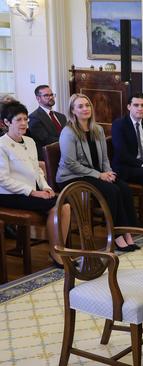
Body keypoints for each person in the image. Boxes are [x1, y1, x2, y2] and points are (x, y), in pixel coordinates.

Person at [56, 93, 139, 252]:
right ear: (73, 110)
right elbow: (70, 163)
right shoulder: (68, 132)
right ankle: (115, 236)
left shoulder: (97, 129)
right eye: (80, 106)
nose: (85, 109)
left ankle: (127, 231)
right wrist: (99, 175)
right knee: (112, 191)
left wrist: (108, 172)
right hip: (72, 177)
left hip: (95, 174)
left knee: (124, 188)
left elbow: (104, 158)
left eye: (87, 105)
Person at [0, 100, 70, 266]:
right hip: (8, 194)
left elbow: (37, 170)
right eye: (19, 120)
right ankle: (56, 252)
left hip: (30, 191)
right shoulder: (1, 145)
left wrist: (45, 187)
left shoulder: (29, 142)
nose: (24, 123)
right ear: (7, 122)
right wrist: (33, 192)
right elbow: (3, 179)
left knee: (64, 205)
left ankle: (59, 249)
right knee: (58, 205)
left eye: (26, 119)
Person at [111, 92, 143, 228]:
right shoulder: (119, 124)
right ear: (129, 107)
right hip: (125, 168)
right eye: (136, 105)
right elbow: (122, 154)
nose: (140, 108)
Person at [28, 85, 67, 159]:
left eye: (52, 95)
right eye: (46, 95)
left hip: (66, 153)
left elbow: (67, 133)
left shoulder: (61, 117)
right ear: (38, 98)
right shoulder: (34, 117)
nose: (51, 97)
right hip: (50, 157)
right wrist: (69, 141)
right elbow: (46, 139)